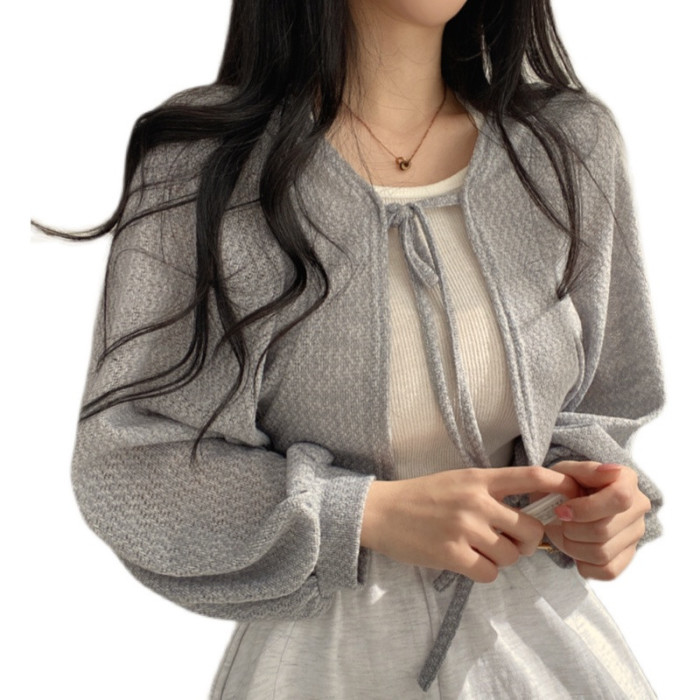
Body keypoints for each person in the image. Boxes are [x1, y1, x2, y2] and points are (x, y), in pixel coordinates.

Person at [33, 0, 665, 697]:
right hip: (323, 667)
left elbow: (607, 400)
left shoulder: (566, 145)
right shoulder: (206, 164)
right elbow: (125, 464)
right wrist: (365, 513)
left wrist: (600, 501)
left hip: (547, 659)